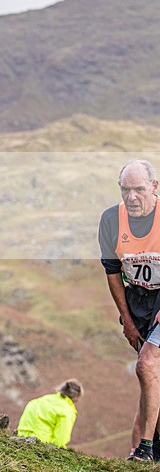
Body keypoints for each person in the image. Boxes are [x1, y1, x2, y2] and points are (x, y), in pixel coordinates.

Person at [98, 159, 160, 461]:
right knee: (153, 379)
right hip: (137, 303)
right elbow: (112, 272)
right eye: (125, 190)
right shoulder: (111, 220)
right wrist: (126, 317)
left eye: (139, 189)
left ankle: (146, 450)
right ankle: (151, 449)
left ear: (155, 188)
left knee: (147, 364)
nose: (132, 197)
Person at [16, 379, 83, 448]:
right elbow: (60, 439)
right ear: (76, 398)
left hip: (20, 439)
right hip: (41, 444)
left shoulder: (40, 400)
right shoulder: (67, 410)